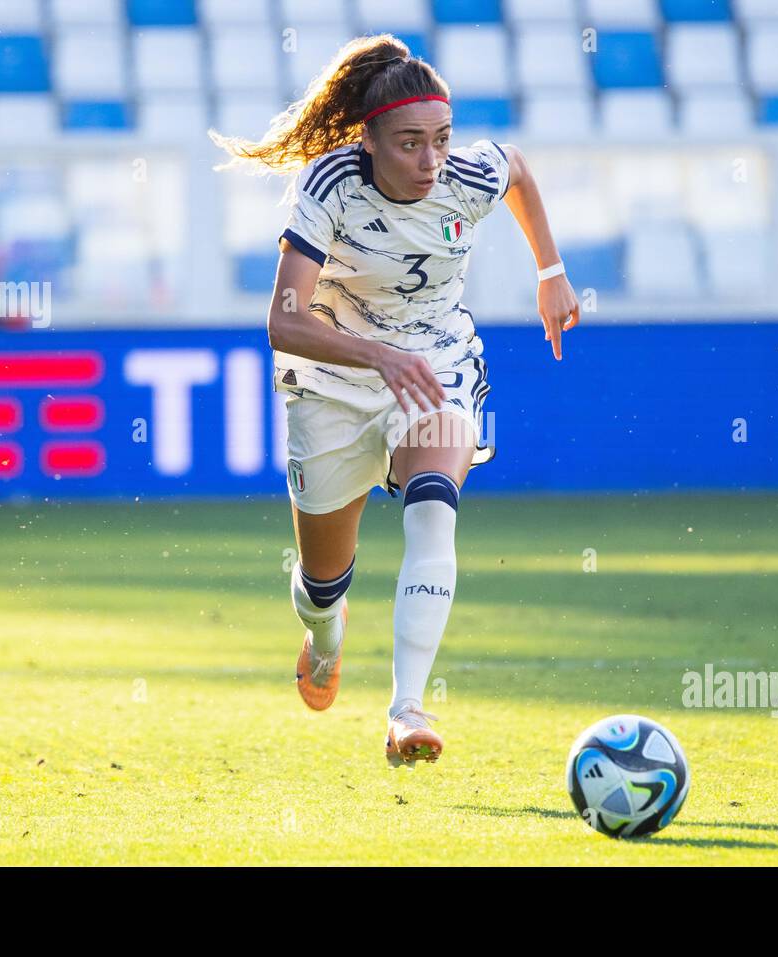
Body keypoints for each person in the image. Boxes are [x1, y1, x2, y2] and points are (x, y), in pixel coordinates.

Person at [211, 34, 579, 767]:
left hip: (436, 362)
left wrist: (552, 268)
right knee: (323, 583)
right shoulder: (329, 186)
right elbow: (284, 320)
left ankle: (407, 708)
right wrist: (379, 354)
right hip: (334, 378)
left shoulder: (466, 175)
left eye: (440, 140)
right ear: (368, 140)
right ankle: (324, 631)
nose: (430, 161)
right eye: (409, 143)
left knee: (434, 503)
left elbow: (519, 171)